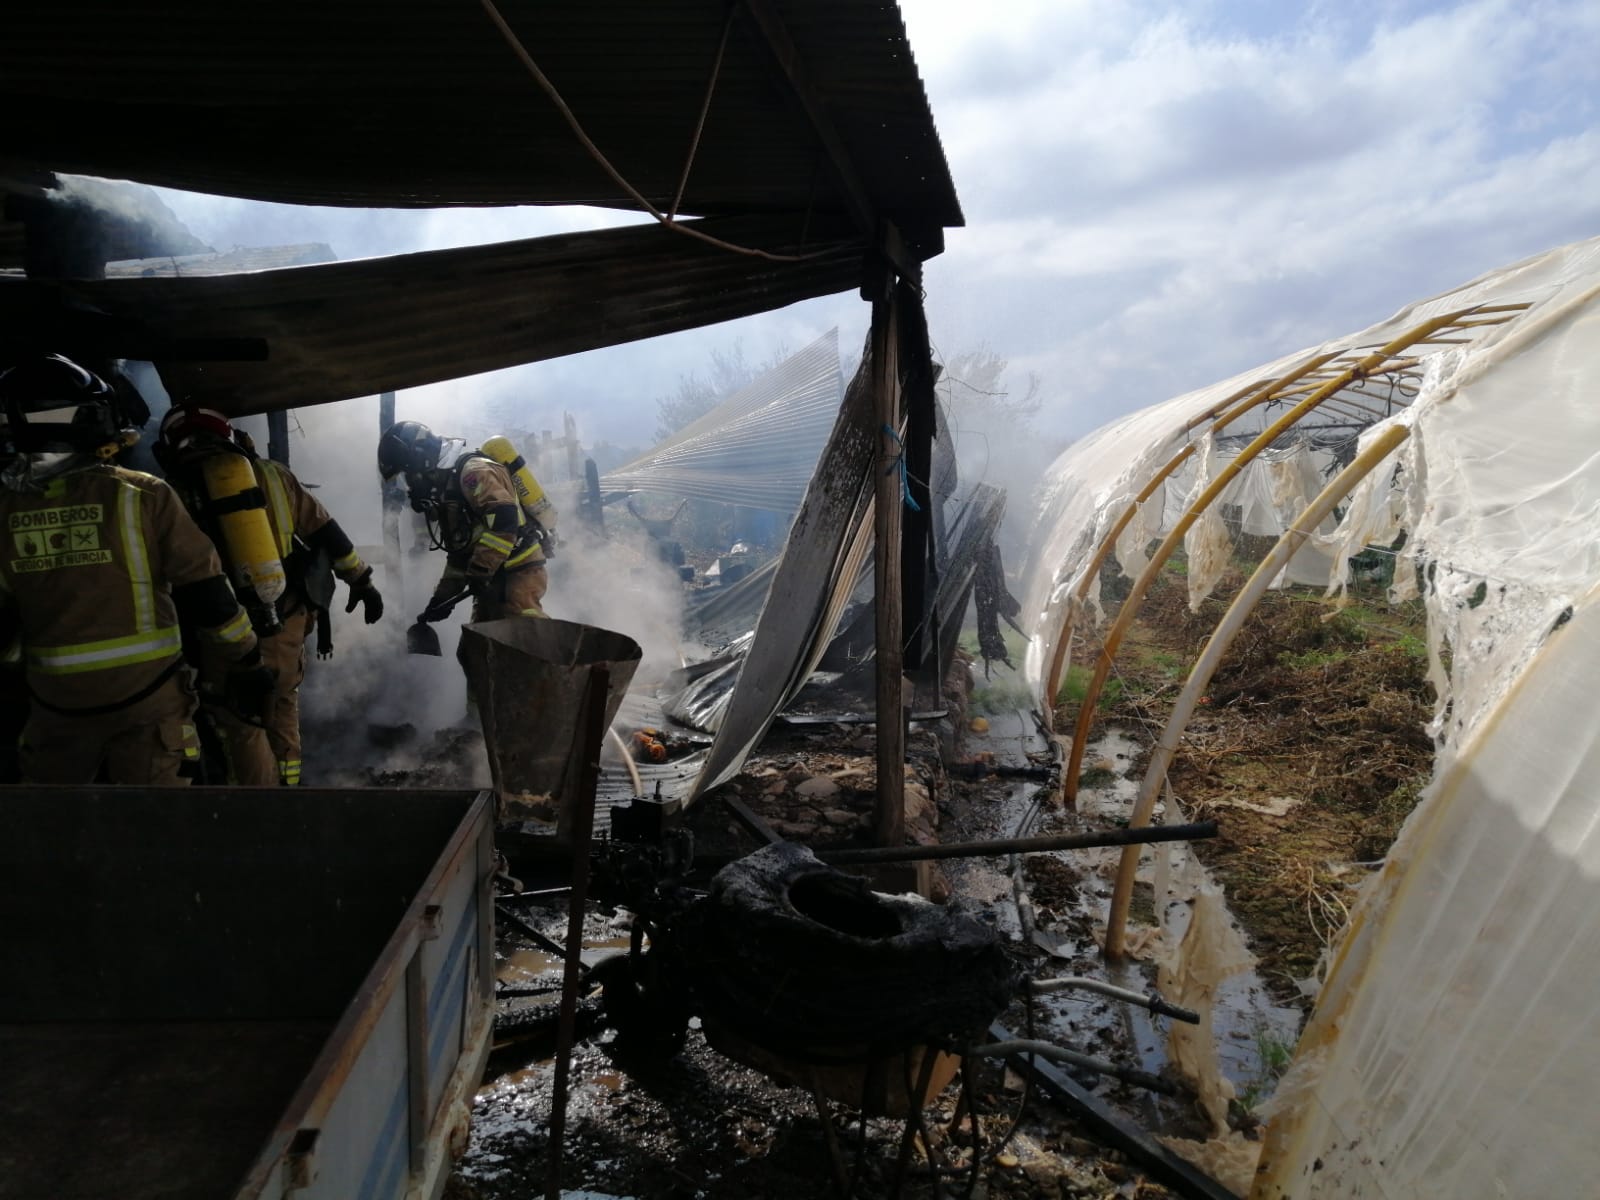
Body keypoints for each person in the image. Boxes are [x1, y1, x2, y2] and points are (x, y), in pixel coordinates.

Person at [0, 354, 272, 785]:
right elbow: (208, 596)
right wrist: (250, 660)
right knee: (153, 835)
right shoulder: (143, 494)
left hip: (55, 712)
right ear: (94, 419)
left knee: (56, 840)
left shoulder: (6, 509)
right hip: (147, 705)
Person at [154, 405, 384, 786]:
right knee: (279, 705)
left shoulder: (168, 492)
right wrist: (362, 581)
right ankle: (288, 795)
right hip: (286, 623)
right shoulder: (275, 476)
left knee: (238, 722)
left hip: (222, 634)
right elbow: (328, 534)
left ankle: (254, 810)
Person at [376, 420, 554, 627]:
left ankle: (578, 657)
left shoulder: (472, 473)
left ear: (419, 462)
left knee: (525, 635)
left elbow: (505, 520)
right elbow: (459, 557)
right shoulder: (447, 491)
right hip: (492, 575)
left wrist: (480, 570)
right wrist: (441, 599)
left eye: (406, 477)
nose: (408, 488)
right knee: (478, 644)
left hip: (519, 569)